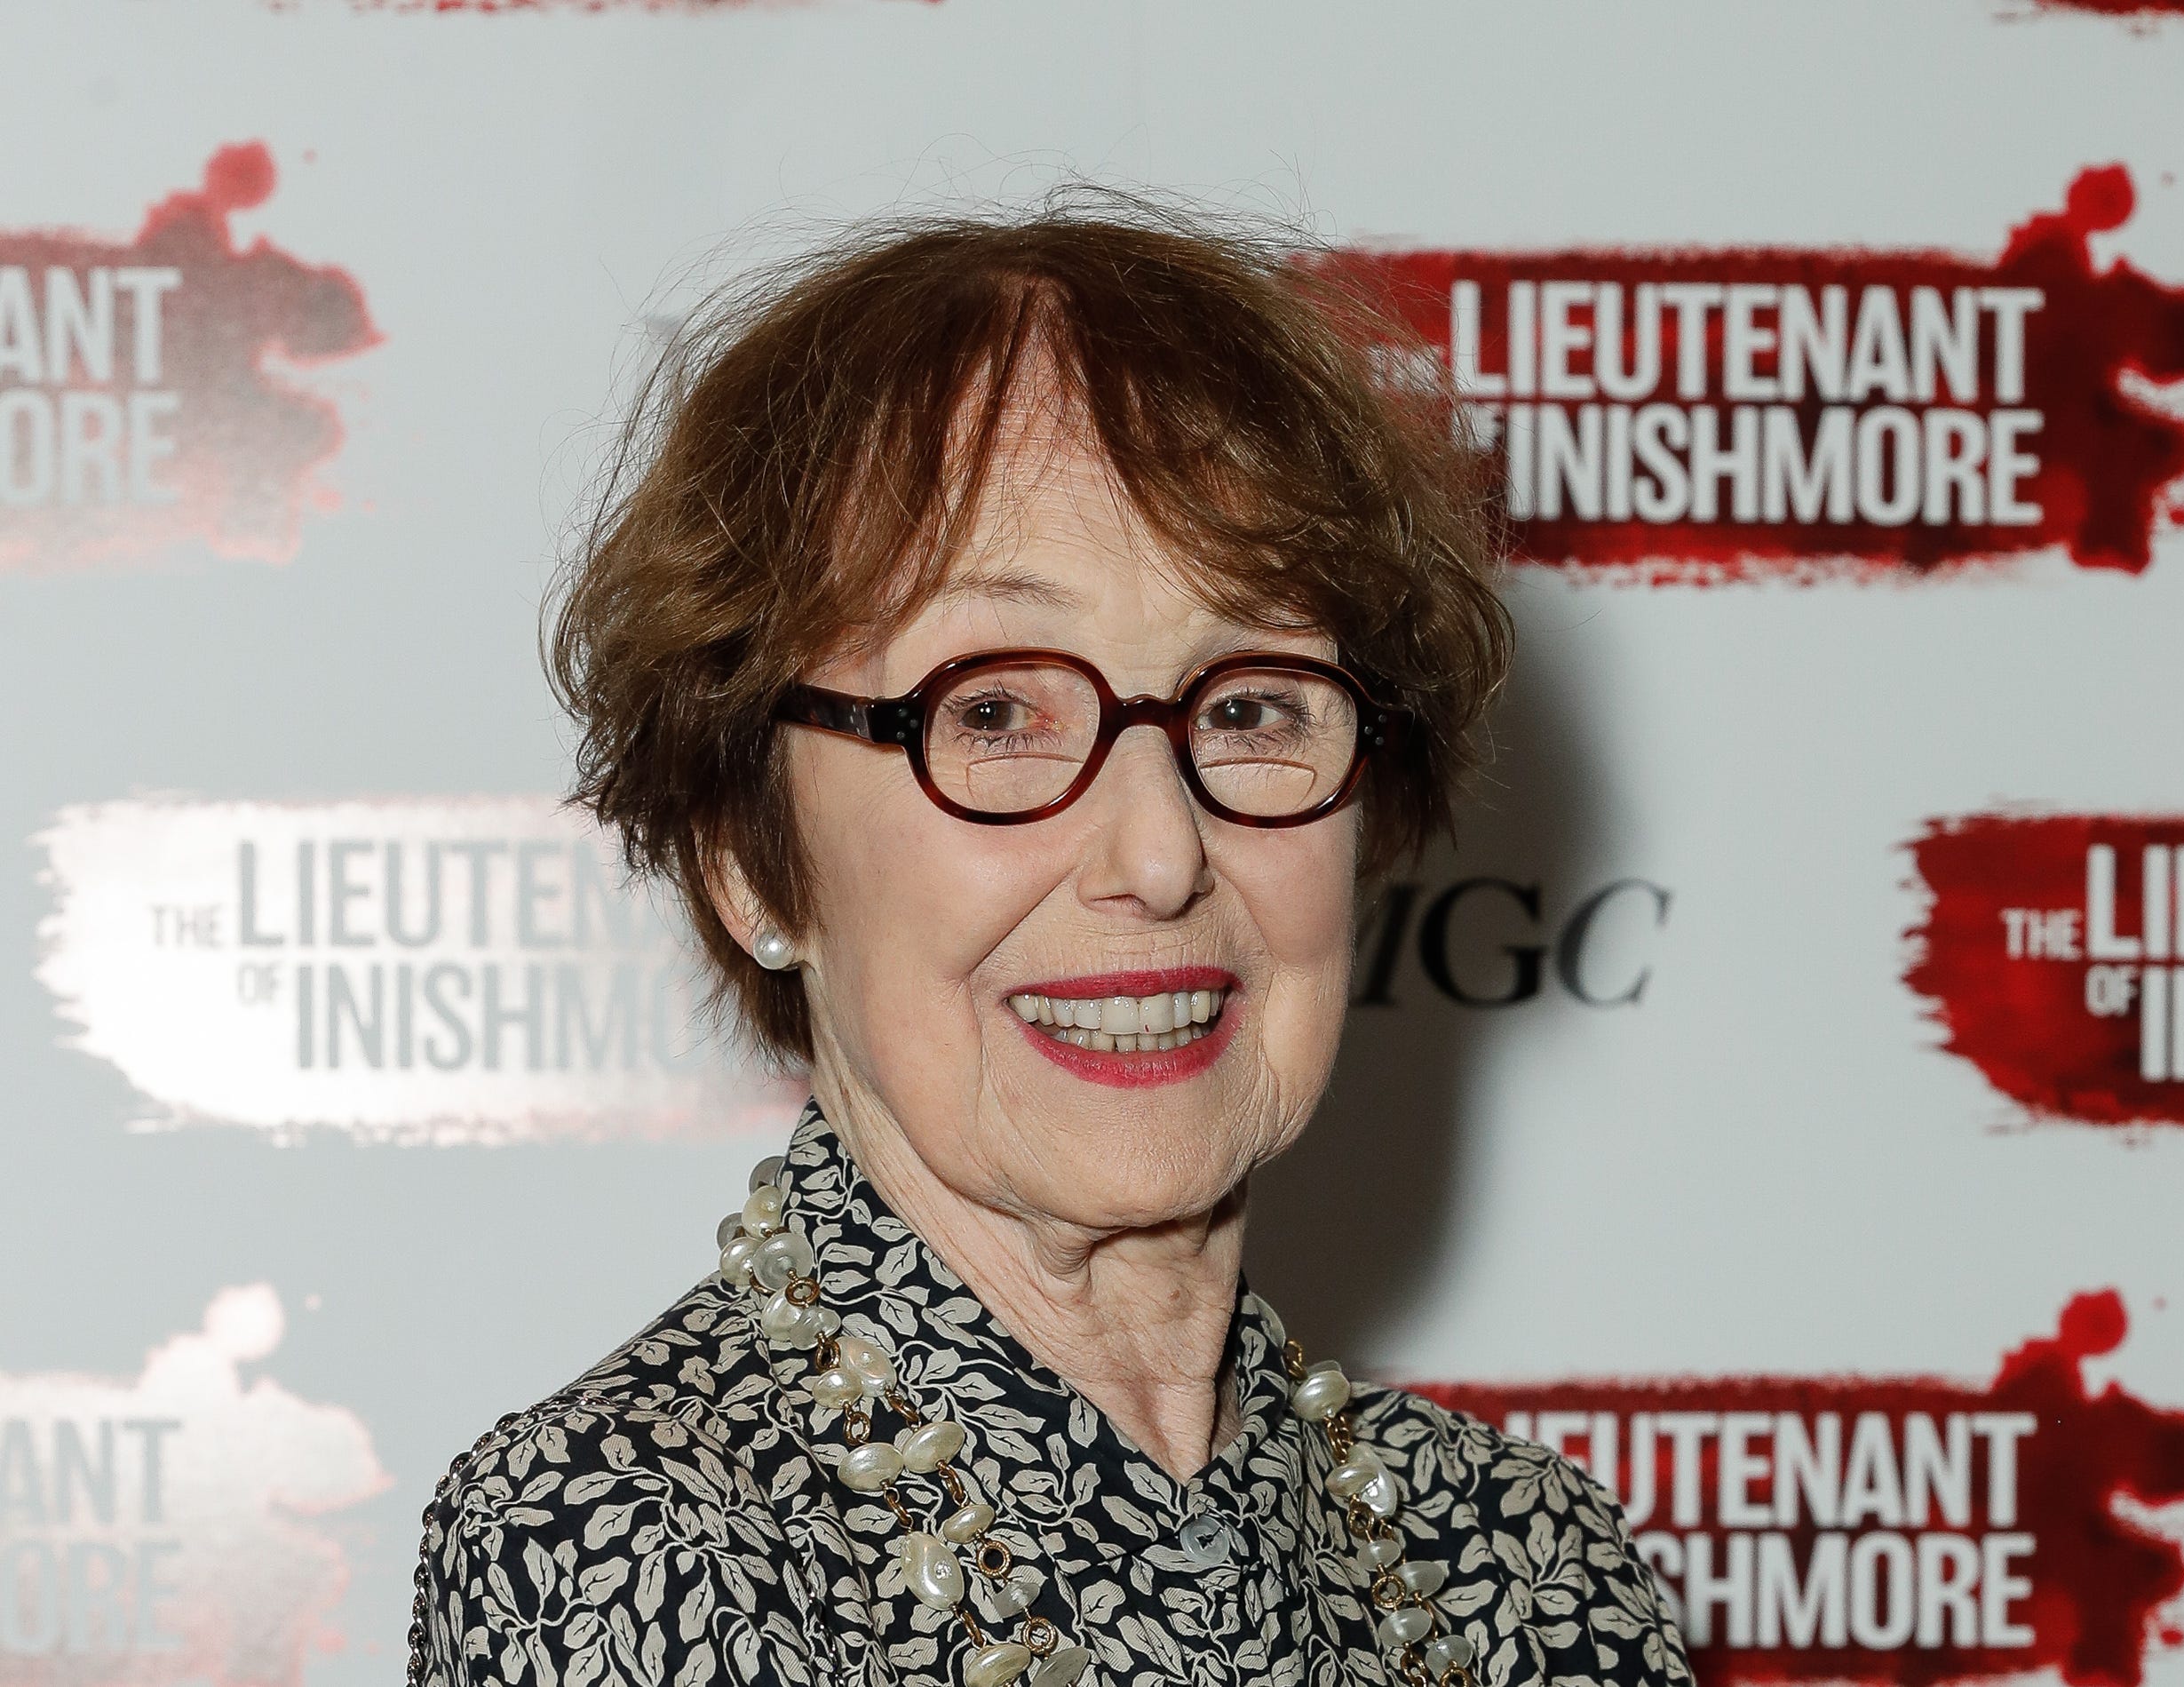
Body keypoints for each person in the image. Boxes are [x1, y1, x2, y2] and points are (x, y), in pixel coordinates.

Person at [411, 196, 1694, 1687]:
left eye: (1249, 705)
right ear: (748, 860)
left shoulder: (1530, 1565)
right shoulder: (628, 1541)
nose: (1158, 855)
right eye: (995, 712)